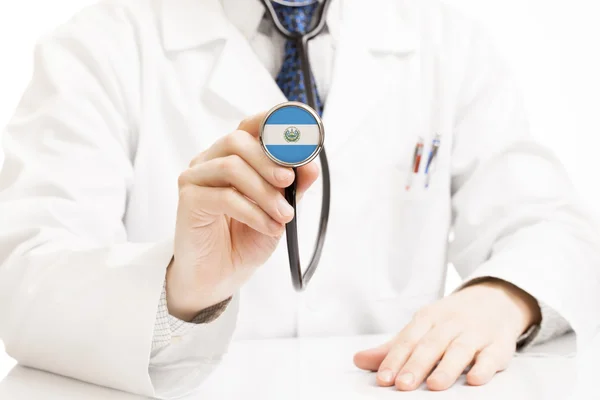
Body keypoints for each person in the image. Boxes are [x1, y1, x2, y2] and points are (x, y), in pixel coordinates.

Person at [0, 0, 599, 398]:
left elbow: (551, 227)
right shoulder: (100, 45)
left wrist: (501, 296)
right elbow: (26, 279)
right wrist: (180, 289)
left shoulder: (444, 41)